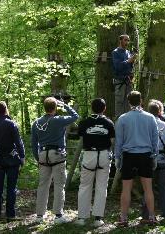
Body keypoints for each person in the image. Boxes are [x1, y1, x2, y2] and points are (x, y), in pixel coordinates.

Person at [31, 97, 79, 224]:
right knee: (59, 184)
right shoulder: (58, 120)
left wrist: (38, 158)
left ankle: (39, 216)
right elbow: (75, 116)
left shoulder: (36, 123)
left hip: (43, 154)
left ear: (44, 107)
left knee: (43, 185)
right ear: (55, 107)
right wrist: (65, 105)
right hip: (57, 154)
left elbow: (33, 143)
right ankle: (58, 215)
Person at [114, 91, 158, 226]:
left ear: (129, 102)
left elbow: (119, 141)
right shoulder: (150, 118)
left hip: (128, 155)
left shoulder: (122, 118)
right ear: (141, 101)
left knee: (126, 188)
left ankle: (124, 218)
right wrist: (154, 156)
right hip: (145, 155)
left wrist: (117, 158)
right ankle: (151, 217)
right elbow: (154, 139)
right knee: (148, 188)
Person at [75, 98, 115, 227]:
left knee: (85, 185)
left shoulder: (84, 122)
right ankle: (98, 218)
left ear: (92, 108)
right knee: (101, 186)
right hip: (103, 155)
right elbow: (113, 142)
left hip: (89, 155)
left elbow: (81, 139)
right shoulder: (109, 123)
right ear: (104, 108)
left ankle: (82, 217)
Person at [0, 101, 25, 220]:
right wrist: (22, 157)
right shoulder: (11, 124)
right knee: (11, 188)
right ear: (6, 109)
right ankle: (10, 214)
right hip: (12, 160)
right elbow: (18, 142)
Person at [141, 100, 165, 219]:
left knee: (147, 188)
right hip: (163, 160)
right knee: (164, 188)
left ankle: (147, 214)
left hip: (148, 160)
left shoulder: (144, 125)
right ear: (160, 111)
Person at [112, 34, 137, 119]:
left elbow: (129, 67)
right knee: (119, 102)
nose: (127, 42)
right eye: (125, 40)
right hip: (120, 81)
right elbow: (117, 66)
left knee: (128, 102)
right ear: (120, 41)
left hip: (128, 81)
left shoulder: (128, 52)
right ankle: (118, 122)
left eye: (128, 40)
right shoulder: (116, 52)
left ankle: (127, 121)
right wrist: (129, 61)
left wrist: (132, 61)